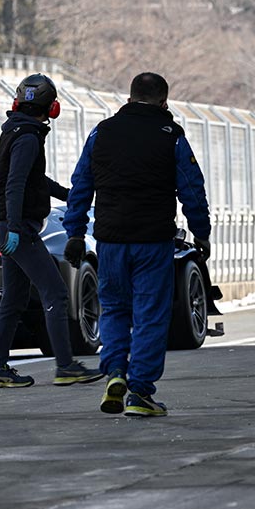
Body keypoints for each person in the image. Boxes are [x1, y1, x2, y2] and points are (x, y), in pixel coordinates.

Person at [63, 72, 211, 417]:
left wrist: (74, 231)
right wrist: (201, 232)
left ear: (128, 100)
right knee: (150, 316)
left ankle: (115, 372)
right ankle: (140, 391)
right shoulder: (171, 136)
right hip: (153, 241)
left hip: (111, 241)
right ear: (164, 102)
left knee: (113, 309)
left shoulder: (101, 132)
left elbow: (81, 184)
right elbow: (192, 189)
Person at [0, 74, 103, 388]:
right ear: (52, 108)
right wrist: (13, 227)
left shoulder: (17, 131)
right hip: (17, 229)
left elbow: (35, 181)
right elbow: (15, 185)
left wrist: (72, 195)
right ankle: (65, 366)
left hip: (9, 226)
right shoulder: (28, 137)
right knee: (56, 293)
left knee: (13, 299)